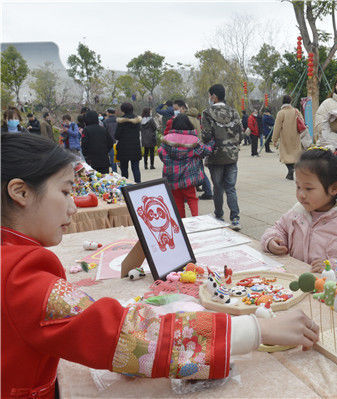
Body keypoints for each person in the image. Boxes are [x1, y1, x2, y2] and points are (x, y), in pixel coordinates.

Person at [0, 133, 320, 398]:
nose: (72, 207)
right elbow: (128, 337)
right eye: (66, 191)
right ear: (21, 192)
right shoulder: (19, 276)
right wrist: (259, 329)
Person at [261, 147, 337, 287]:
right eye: (298, 187)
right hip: (298, 290)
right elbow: (278, 229)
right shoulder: (297, 213)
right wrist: (271, 241)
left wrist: (332, 269)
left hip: (331, 299)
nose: (301, 194)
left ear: (333, 188)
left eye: (308, 188)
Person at [201, 84, 243, 231]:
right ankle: (235, 219)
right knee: (231, 188)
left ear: (213, 96)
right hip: (232, 156)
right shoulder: (233, 111)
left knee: (218, 187)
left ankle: (219, 216)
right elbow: (241, 133)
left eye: (209, 96)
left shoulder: (207, 113)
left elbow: (206, 136)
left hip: (216, 156)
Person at [158, 114, 213, 218]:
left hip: (172, 176)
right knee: (192, 198)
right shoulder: (193, 140)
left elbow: (161, 152)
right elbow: (204, 151)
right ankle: (195, 219)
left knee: (177, 200)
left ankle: (183, 223)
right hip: (189, 177)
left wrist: (170, 164)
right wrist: (211, 144)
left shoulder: (166, 139)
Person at [273, 95, 303, 181]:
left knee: (285, 155)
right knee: (294, 155)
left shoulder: (281, 113)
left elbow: (277, 127)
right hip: (296, 136)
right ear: (290, 101)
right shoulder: (296, 111)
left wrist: (274, 139)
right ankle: (292, 170)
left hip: (285, 137)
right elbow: (302, 122)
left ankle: (290, 170)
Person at [115, 102, 142, 183]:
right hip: (135, 147)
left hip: (123, 148)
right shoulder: (137, 121)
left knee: (124, 169)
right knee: (136, 168)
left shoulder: (121, 121)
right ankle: (138, 185)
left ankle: (125, 186)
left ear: (123, 110)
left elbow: (117, 136)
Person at [103, 108, 119, 173]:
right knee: (119, 156)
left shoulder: (105, 121)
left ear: (108, 113)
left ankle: (114, 171)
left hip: (110, 141)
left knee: (112, 157)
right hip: (118, 140)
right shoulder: (118, 120)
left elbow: (104, 132)